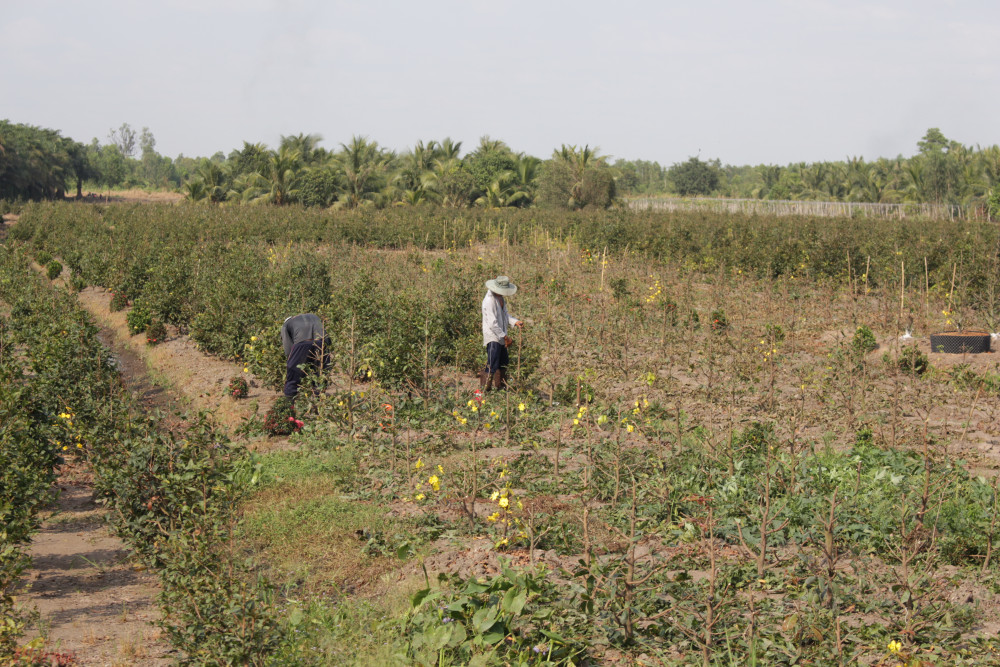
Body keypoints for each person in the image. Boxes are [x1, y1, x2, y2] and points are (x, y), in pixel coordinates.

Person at [480, 276, 523, 392]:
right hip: (493, 336)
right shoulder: (489, 301)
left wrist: (515, 322)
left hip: (502, 335)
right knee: (492, 364)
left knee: (503, 363)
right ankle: (484, 391)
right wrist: (505, 337)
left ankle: (501, 388)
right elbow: (493, 324)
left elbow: (505, 316)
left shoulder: (500, 299)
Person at [281, 313, 331, 399]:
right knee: (320, 373)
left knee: (293, 373)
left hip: (302, 344)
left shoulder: (286, 325)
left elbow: (287, 347)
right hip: (322, 343)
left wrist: (291, 360)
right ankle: (318, 400)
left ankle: (289, 403)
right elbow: (328, 340)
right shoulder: (314, 316)